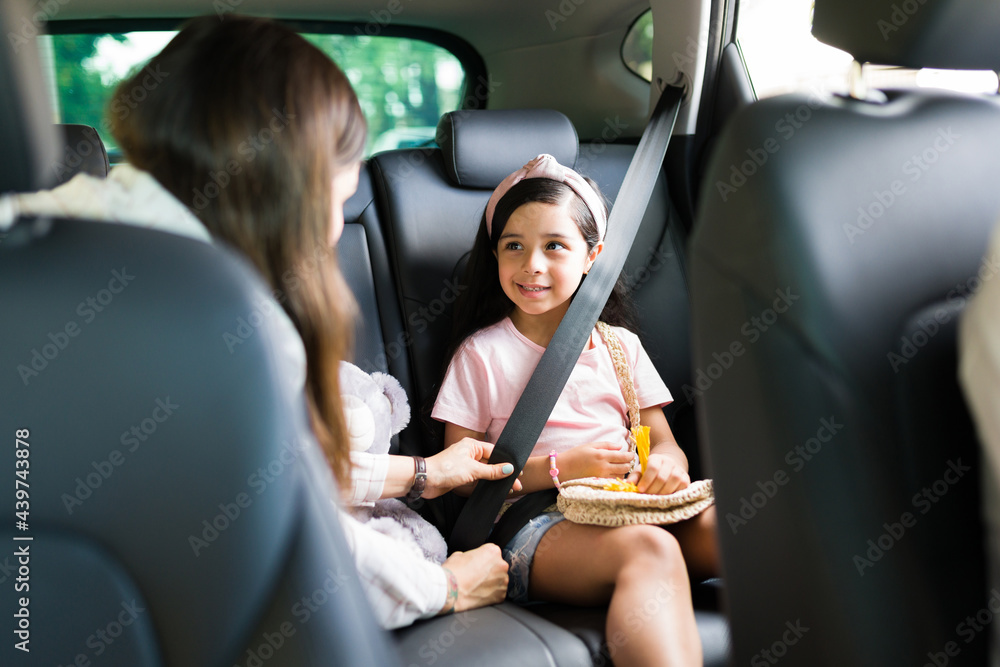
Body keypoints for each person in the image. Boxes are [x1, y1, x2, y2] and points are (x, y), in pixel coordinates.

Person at [1, 14, 510, 630]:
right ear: (289, 184)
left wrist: (421, 477)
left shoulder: (43, 232)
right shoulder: (224, 319)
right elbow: (306, 554)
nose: (332, 231)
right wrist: (447, 585)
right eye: (335, 197)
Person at [431, 154, 718, 666]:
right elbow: (458, 475)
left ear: (593, 256)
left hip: (628, 504)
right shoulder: (482, 355)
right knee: (650, 551)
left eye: (554, 247)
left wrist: (669, 465)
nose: (531, 265)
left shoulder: (620, 347)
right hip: (532, 526)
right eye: (513, 246)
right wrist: (561, 469)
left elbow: (663, 439)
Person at [958, 223, 1000, 667]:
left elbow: (679, 454)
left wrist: (679, 460)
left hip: (688, 494)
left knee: (757, 531)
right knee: (679, 556)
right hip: (678, 531)